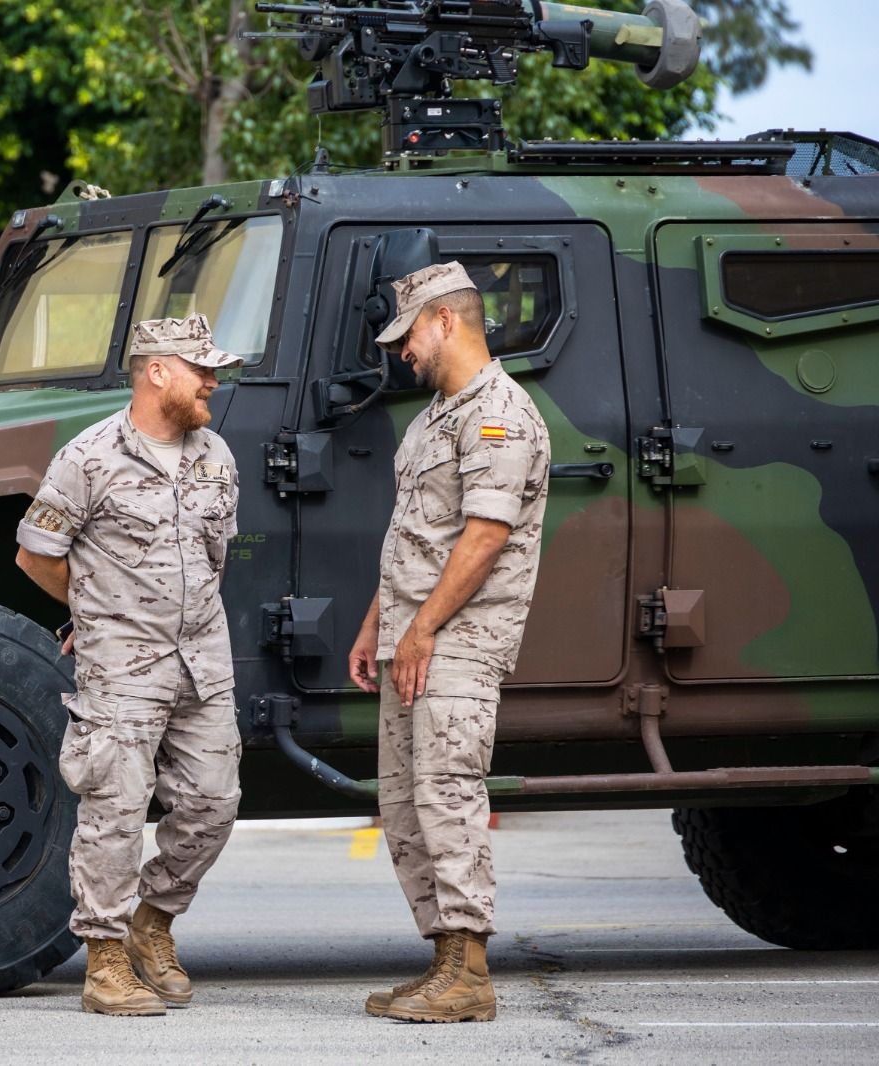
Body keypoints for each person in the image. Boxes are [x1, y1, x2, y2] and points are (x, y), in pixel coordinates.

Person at [15, 313, 244, 1018]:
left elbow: (215, 560)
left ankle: (154, 924)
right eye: (200, 368)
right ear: (156, 372)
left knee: (213, 803)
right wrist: (95, 614)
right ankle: (106, 959)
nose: (212, 380)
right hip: (122, 665)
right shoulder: (88, 457)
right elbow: (35, 555)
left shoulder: (217, 457)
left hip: (203, 660)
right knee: (115, 810)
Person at [346, 262, 550, 1023]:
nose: (402, 352)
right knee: (403, 807)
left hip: (460, 642)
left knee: (447, 796)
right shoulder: (434, 417)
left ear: (445, 321)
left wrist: (423, 627)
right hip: (415, 639)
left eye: (408, 336)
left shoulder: (499, 413)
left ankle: (470, 973)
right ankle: (443, 963)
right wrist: (379, 625)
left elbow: (486, 535)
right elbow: (415, 540)